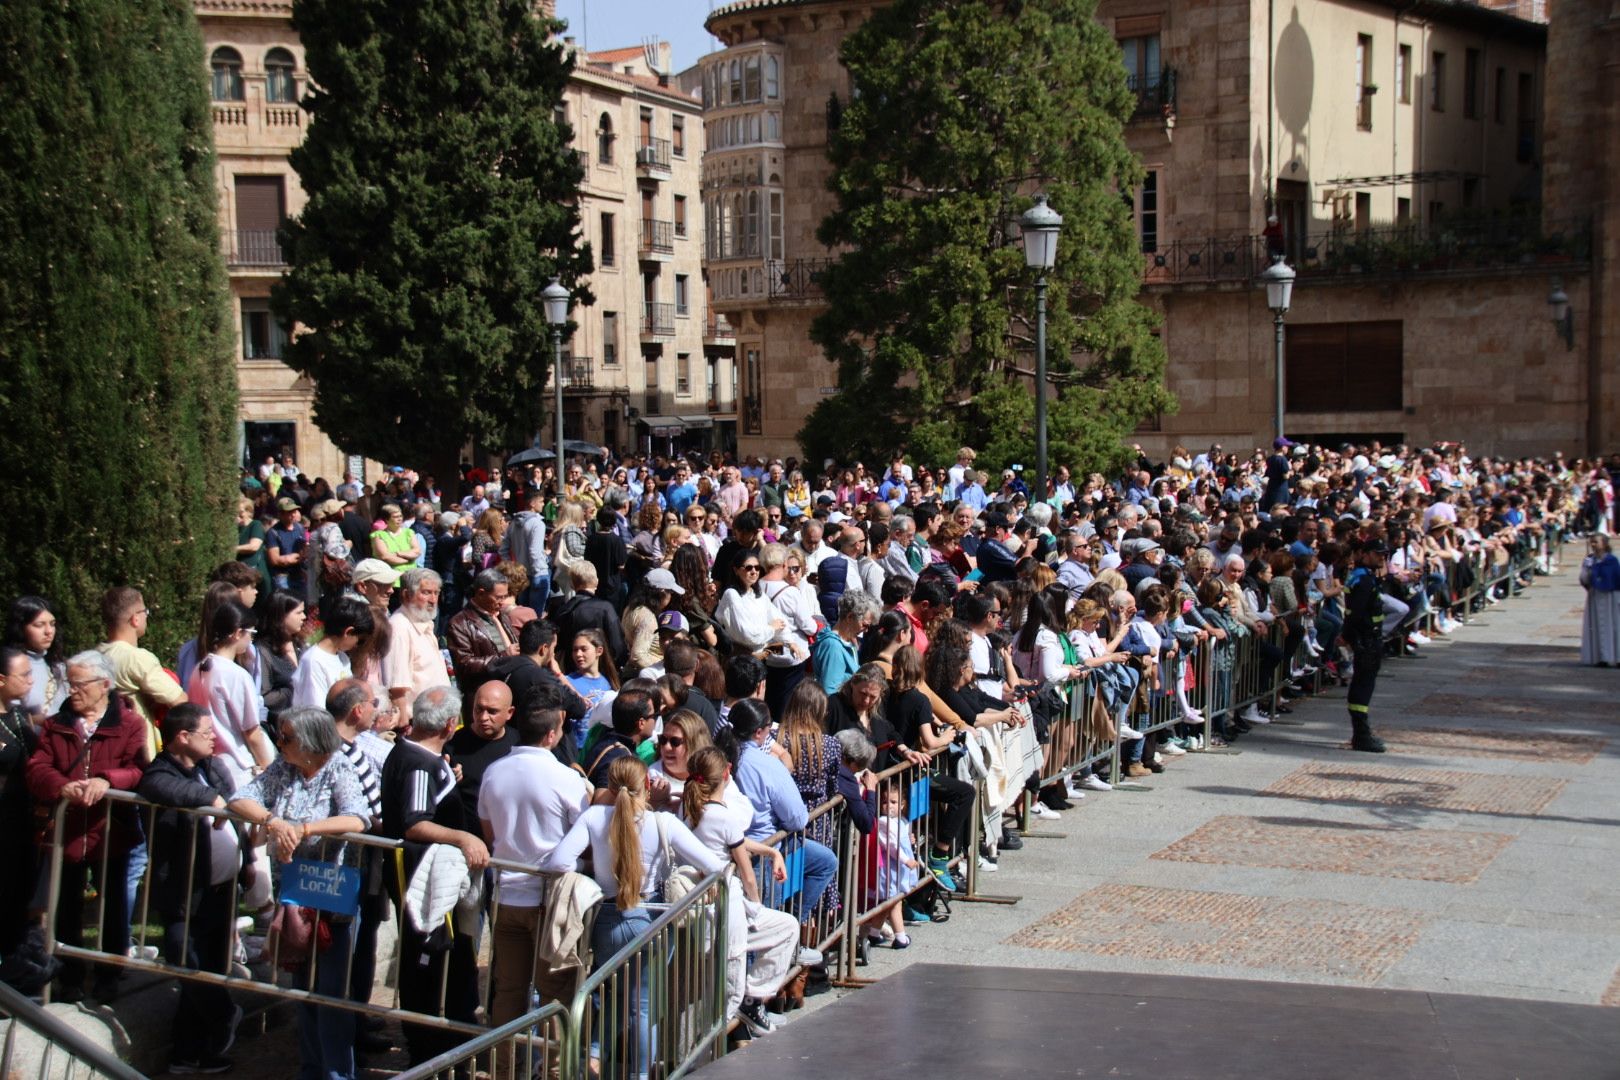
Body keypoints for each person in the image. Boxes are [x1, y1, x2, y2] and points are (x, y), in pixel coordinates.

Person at [540, 756, 724, 1079]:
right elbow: (714, 865)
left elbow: (559, 862)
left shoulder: (595, 817)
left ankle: (596, 1054)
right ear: (648, 786)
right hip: (649, 919)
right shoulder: (662, 823)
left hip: (607, 921)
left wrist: (591, 872)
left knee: (615, 992)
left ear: (610, 788)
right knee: (642, 1007)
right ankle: (639, 1075)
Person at [228, 708, 370, 1080]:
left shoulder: (339, 768)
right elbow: (240, 798)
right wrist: (273, 821)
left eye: (287, 738)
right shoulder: (284, 768)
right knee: (304, 992)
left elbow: (357, 817)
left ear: (310, 743)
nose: (280, 743)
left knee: (331, 996)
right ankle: (312, 1070)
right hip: (294, 898)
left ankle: (338, 1074)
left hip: (331, 899)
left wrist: (304, 829)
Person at [28, 650, 148, 1002]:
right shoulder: (58, 722)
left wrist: (106, 780)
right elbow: (37, 767)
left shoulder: (129, 724)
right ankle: (70, 976)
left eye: (79, 683)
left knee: (113, 905)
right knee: (65, 904)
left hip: (112, 830)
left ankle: (110, 973)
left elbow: (139, 769)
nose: (73, 690)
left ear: (104, 685)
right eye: (70, 682)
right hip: (67, 831)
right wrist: (60, 786)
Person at [377, 685, 487, 1067]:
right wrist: (461, 836)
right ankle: (427, 1049)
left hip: (432, 878)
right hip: (422, 881)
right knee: (427, 961)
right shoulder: (416, 762)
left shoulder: (425, 757)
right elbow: (415, 822)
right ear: (449, 724)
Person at [478, 706, 591, 1055]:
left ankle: (502, 1069)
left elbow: (489, 831)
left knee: (508, 990)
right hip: (549, 902)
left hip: (506, 895)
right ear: (552, 735)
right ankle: (554, 1071)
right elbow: (584, 837)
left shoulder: (493, 773)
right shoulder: (565, 779)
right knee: (555, 993)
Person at [138, 704, 243, 1075]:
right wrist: (211, 800)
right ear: (182, 737)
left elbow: (236, 799)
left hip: (220, 891)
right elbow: (157, 786)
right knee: (189, 966)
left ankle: (192, 1052)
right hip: (184, 895)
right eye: (206, 732)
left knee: (211, 968)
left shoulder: (211, 766)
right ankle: (225, 1015)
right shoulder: (161, 771)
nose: (214, 738)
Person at [679, 745, 799, 1037]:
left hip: (712, 907)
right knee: (725, 994)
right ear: (727, 773)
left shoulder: (693, 811)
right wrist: (755, 905)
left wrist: (771, 853)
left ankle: (753, 997)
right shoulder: (721, 815)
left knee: (786, 926)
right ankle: (709, 1051)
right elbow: (747, 873)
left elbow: (735, 842)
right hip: (724, 909)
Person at [728, 699, 838, 927]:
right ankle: (789, 928)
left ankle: (791, 926)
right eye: (770, 727)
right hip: (763, 852)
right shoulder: (765, 764)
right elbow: (798, 817)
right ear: (759, 732)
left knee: (825, 861)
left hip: (747, 847)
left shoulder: (721, 753)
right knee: (757, 928)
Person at [186, 599, 276, 787]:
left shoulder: (199, 668)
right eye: (251, 633)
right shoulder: (236, 675)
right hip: (237, 766)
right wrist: (269, 770)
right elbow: (252, 731)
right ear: (237, 633)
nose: (251, 640)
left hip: (207, 765)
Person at [0, 647, 45, 993]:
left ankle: (14, 975)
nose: (31, 681)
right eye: (24, 675)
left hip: (21, 824)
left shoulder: (19, 718)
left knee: (18, 898)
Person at [97, 585, 185, 759]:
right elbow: (180, 701)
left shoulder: (96, 655)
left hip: (106, 750)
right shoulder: (136, 658)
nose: (146, 616)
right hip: (139, 751)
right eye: (145, 611)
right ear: (135, 619)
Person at [1342, 540, 1390, 752]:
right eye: (1377, 553)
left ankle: (1360, 733)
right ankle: (1361, 735)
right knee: (1362, 686)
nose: (1382, 558)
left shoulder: (1364, 577)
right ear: (1364, 554)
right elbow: (1357, 614)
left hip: (1367, 639)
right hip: (1367, 640)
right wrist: (1352, 638)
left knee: (1363, 685)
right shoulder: (1363, 580)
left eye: (1384, 554)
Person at [446, 680, 517, 823]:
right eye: (478, 709)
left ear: (509, 713)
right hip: (469, 837)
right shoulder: (452, 746)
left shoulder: (519, 744)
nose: (483, 717)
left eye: (492, 711)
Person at [385, 568, 450, 718]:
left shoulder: (424, 622)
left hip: (437, 716)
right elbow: (397, 687)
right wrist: (403, 723)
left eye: (436, 593)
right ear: (406, 595)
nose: (433, 600)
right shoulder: (399, 627)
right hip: (416, 722)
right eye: (426, 592)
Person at [446, 569, 520, 700]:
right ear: (481, 593)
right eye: (498, 597)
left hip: (508, 689)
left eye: (505, 596)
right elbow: (464, 664)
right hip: (482, 695)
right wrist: (504, 656)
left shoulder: (502, 616)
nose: (502, 602)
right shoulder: (459, 623)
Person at [292, 596, 373, 710]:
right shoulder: (313, 661)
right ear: (348, 632)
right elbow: (316, 710)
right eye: (360, 640)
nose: (357, 646)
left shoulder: (342, 658)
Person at [5, 595, 67, 721]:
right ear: (21, 628)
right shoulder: (8, 666)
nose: (49, 631)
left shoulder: (59, 666)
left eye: (52, 624)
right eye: (39, 625)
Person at [1579, 534, 1620, 666]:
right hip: (1595, 595)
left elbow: (1615, 577)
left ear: (1604, 543)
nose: (1593, 545)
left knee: (1614, 626)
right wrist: (1587, 573)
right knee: (1597, 625)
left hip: (1610, 596)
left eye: (1596, 542)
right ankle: (1601, 657)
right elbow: (1584, 578)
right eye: (1592, 542)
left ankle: (1616, 657)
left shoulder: (1612, 560)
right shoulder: (1590, 560)